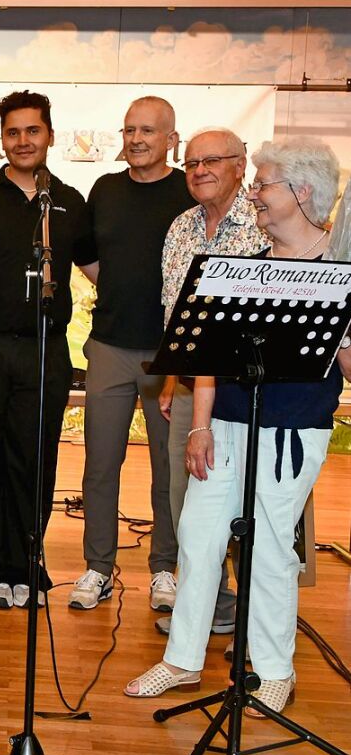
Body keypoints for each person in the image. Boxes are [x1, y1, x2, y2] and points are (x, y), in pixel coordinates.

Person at [126, 137, 350, 717]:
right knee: (199, 537)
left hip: (292, 430)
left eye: (263, 184)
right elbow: (208, 354)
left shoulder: (339, 270)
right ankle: (182, 659)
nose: (253, 193)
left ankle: (274, 670)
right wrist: (199, 428)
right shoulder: (247, 267)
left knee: (271, 548)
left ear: (300, 193)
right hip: (224, 423)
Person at [0, 91, 97, 609]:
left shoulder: (69, 200)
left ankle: (26, 563)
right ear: (1, 139)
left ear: (50, 136)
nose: (22, 141)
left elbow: (96, 269)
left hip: (45, 349)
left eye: (32, 131)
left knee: (34, 459)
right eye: (13, 132)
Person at [69, 97, 194, 612]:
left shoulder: (188, 191)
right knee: (100, 463)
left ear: (171, 138)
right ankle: (97, 568)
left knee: (171, 468)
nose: (135, 139)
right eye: (128, 129)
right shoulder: (105, 189)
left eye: (147, 130)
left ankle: (165, 569)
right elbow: (88, 257)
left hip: (171, 357)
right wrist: (121, 289)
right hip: (111, 347)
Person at [155, 128, 272, 637]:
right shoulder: (180, 227)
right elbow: (171, 313)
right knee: (192, 506)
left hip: (253, 392)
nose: (199, 170)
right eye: (191, 162)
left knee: (255, 509)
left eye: (212, 161)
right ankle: (215, 609)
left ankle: (257, 619)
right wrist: (170, 380)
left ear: (240, 165)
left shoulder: (266, 225)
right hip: (191, 388)